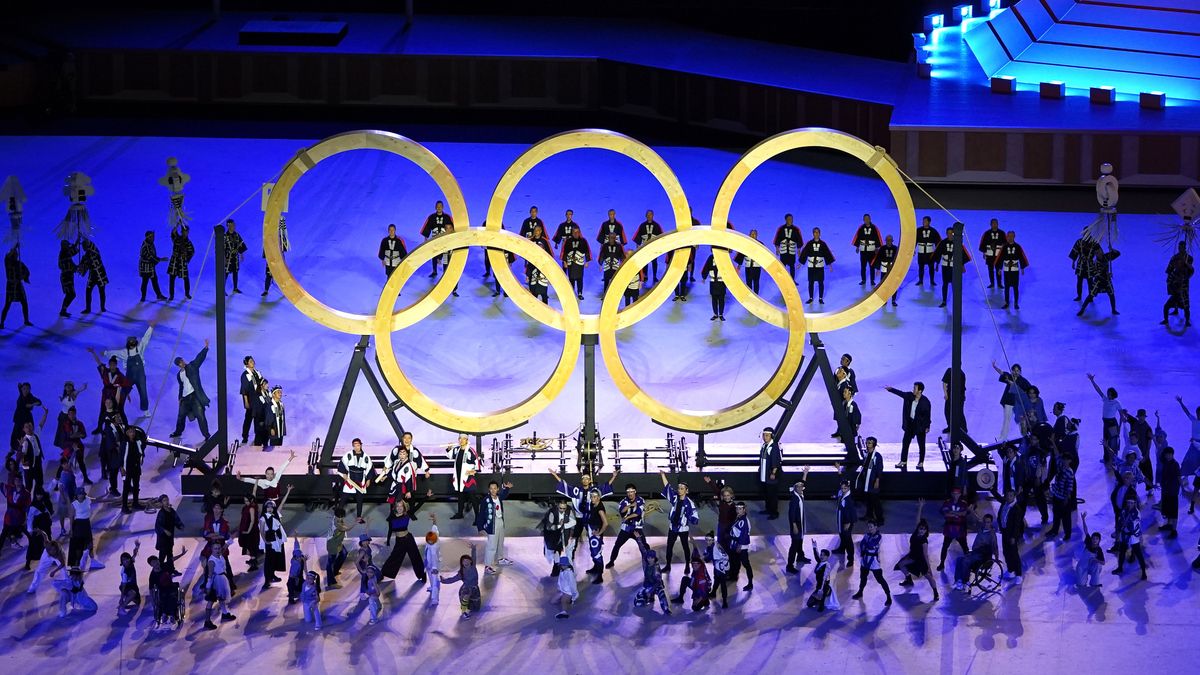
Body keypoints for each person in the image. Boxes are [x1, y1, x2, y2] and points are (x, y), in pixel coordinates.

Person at [102, 324, 154, 416]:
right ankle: (116, 408)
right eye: (131, 343)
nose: (133, 344)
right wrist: (106, 353)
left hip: (140, 376)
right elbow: (115, 353)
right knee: (123, 393)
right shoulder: (125, 352)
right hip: (129, 376)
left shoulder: (139, 348)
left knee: (143, 393)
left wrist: (151, 328)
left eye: (133, 342)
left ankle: (145, 410)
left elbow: (146, 338)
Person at [894, 498, 939, 601]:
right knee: (901, 565)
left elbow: (925, 555)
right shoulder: (916, 532)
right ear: (918, 528)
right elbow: (918, 519)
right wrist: (920, 507)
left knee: (929, 577)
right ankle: (909, 579)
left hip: (920, 560)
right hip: (912, 556)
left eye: (924, 529)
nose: (922, 530)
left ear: (926, 530)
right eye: (920, 528)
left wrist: (928, 567)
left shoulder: (924, 541)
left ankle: (935, 592)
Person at [382, 491, 429, 582]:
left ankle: (422, 574)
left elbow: (418, 506)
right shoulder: (392, 517)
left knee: (416, 557)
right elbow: (390, 529)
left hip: (408, 539)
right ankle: (383, 573)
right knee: (394, 557)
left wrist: (426, 497)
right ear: (395, 507)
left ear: (404, 507)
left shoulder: (407, 514)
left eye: (401, 506)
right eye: (398, 506)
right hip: (399, 541)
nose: (399, 508)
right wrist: (388, 540)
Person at [170, 340, 212, 441]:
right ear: (178, 365)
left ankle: (206, 435)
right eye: (180, 363)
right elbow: (181, 386)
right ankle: (178, 432)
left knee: (200, 416)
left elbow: (199, 358)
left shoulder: (192, 366)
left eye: (182, 361)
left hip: (194, 397)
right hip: (185, 398)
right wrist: (180, 397)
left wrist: (205, 348)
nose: (182, 363)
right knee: (180, 416)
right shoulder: (179, 375)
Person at [658, 470, 698, 571]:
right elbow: (667, 487)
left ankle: (687, 566)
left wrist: (689, 517)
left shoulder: (690, 503)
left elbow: (695, 519)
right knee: (669, 547)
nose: (679, 490)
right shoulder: (675, 498)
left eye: (682, 489)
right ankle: (668, 565)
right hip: (672, 527)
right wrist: (663, 475)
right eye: (679, 488)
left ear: (686, 491)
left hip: (683, 529)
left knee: (685, 547)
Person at [885, 382, 931, 470]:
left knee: (921, 445)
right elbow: (901, 393)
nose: (913, 389)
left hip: (920, 426)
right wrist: (891, 389)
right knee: (905, 443)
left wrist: (927, 426)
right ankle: (903, 461)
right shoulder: (909, 396)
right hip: (910, 424)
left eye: (915, 388)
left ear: (920, 391)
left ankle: (921, 462)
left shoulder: (925, 402)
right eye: (913, 388)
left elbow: (928, 415)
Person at [259, 486, 295, 590]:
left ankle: (272, 576)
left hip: (277, 539)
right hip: (270, 540)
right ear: (265, 508)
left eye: (271, 507)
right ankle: (267, 581)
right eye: (268, 507)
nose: (270, 508)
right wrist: (266, 541)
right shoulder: (263, 518)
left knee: (275, 559)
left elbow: (282, 504)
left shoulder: (276, 515)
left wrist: (288, 491)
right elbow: (261, 530)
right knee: (268, 561)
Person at [475, 480, 513, 574]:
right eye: (491, 488)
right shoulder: (486, 500)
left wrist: (507, 488)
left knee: (500, 542)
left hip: (500, 522)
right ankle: (488, 566)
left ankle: (500, 559)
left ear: (497, 489)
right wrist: (480, 528)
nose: (493, 490)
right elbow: (481, 514)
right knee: (491, 546)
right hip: (492, 524)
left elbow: (504, 495)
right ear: (489, 489)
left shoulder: (499, 497)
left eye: (495, 488)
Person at [952, 514, 997, 592]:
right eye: (985, 522)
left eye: (988, 522)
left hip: (982, 555)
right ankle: (958, 580)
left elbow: (995, 547)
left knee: (966, 561)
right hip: (974, 552)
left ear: (991, 523)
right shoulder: (981, 529)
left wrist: (996, 558)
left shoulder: (992, 534)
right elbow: (978, 519)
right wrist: (971, 511)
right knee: (959, 559)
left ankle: (965, 581)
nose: (986, 524)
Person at [851, 520, 892, 605]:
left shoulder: (879, 537)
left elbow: (871, 544)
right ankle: (860, 592)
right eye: (868, 527)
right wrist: (865, 544)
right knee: (863, 578)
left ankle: (888, 597)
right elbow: (862, 544)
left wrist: (865, 544)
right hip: (865, 559)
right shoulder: (867, 535)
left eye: (871, 527)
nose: (869, 529)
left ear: (875, 527)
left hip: (874, 561)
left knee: (880, 579)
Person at [606, 483, 645, 568]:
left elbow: (638, 513)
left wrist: (627, 518)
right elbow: (622, 511)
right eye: (628, 492)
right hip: (626, 528)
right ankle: (611, 561)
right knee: (617, 545)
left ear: (635, 491)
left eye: (631, 491)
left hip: (636, 528)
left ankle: (648, 560)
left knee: (644, 545)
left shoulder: (640, 500)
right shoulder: (623, 501)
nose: (630, 494)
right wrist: (630, 505)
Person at [338, 438, 375, 523]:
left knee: (360, 500)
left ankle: (359, 517)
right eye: (354, 445)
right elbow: (342, 464)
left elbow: (369, 468)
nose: (356, 447)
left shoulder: (366, 457)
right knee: (343, 498)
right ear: (353, 446)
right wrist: (344, 474)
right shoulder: (348, 455)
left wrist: (368, 479)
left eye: (358, 445)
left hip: (360, 481)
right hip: (350, 480)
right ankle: (339, 515)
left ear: (361, 445)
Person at [1088, 373, 1124, 461]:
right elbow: (1098, 390)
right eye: (1107, 393)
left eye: (1109, 393)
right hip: (1105, 423)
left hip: (1112, 423)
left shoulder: (1117, 403)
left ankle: (1115, 458)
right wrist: (1092, 381)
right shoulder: (1105, 399)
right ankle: (1106, 458)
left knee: (1113, 441)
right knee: (1105, 440)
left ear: (1113, 394)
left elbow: (1121, 415)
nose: (1107, 394)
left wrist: (1119, 426)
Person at [440, 542, 481, 619]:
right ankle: (464, 612)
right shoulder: (461, 572)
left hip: (475, 589)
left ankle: (468, 605)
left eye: (466, 561)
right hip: (466, 589)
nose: (465, 563)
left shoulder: (473, 567)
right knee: (466, 595)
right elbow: (453, 579)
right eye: (463, 561)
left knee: (475, 609)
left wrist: (473, 548)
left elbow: (474, 556)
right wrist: (444, 581)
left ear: (470, 561)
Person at [934, 225, 971, 308]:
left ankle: (956, 301)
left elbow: (962, 255)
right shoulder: (943, 243)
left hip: (954, 266)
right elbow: (938, 253)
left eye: (951, 233)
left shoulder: (958, 243)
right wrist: (937, 264)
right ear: (946, 234)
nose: (950, 235)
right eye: (949, 233)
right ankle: (944, 300)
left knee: (955, 284)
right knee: (945, 283)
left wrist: (962, 266)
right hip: (945, 266)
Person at [202, 540, 236, 630]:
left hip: (221, 579)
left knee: (222, 597)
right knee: (211, 601)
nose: (218, 550)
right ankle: (207, 621)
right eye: (215, 549)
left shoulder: (220, 554)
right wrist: (208, 587)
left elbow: (225, 546)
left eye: (218, 548)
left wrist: (230, 540)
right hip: (215, 582)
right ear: (212, 549)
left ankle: (224, 614)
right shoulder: (211, 561)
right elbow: (210, 575)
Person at [1077, 246, 1120, 316]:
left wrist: (1112, 250)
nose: (1098, 253)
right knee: (1091, 295)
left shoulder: (1107, 256)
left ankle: (1113, 310)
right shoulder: (1095, 263)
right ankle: (1082, 309)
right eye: (1096, 253)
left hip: (1107, 280)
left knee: (1111, 294)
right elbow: (1094, 273)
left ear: (1102, 251)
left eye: (1099, 251)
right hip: (1098, 281)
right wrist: (1101, 274)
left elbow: (1118, 254)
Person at [1112, 495, 1147, 580]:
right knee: (1122, 551)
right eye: (1128, 502)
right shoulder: (1124, 510)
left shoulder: (1137, 513)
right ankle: (1120, 568)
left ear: (1134, 503)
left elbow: (1133, 526)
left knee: (1138, 554)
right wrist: (1118, 530)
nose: (1129, 504)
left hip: (1133, 536)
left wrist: (1126, 524)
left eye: (1131, 503)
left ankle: (1144, 572)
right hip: (1125, 534)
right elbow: (1120, 521)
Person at [785, 466, 812, 574]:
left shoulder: (800, 494)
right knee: (794, 544)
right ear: (795, 487)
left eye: (802, 486)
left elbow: (803, 482)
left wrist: (805, 473)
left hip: (800, 524)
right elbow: (791, 514)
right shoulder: (795, 499)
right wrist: (794, 525)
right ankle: (790, 565)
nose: (801, 487)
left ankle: (800, 556)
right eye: (799, 486)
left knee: (800, 541)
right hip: (796, 525)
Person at [539, 499, 576, 577]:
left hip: (563, 534)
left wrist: (565, 526)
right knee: (551, 552)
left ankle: (558, 567)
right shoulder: (552, 512)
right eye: (561, 508)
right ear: (558, 506)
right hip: (552, 535)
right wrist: (559, 526)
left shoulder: (569, 510)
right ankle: (556, 566)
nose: (562, 510)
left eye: (564, 508)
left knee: (559, 550)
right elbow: (549, 527)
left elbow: (573, 521)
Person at [446, 434, 479, 519]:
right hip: (458, 477)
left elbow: (478, 464)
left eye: (463, 439)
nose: (461, 440)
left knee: (472, 498)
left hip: (468, 478)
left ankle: (478, 517)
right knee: (460, 496)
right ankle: (460, 513)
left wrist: (473, 471)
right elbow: (450, 456)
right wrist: (449, 448)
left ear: (467, 440)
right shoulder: (457, 449)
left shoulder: (471, 450)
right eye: (460, 438)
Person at [798, 227, 835, 304]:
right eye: (815, 232)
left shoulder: (823, 244)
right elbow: (804, 253)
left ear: (820, 234)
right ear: (813, 233)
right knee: (810, 282)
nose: (816, 233)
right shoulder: (809, 243)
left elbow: (827, 254)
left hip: (820, 266)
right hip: (811, 266)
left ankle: (820, 298)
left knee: (821, 282)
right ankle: (810, 298)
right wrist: (800, 263)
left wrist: (830, 266)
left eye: (817, 232)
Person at [1161, 241, 1193, 327]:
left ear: (1185, 247)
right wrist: (1169, 282)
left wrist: (1186, 264)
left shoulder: (1188, 258)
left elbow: (1191, 270)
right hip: (1175, 282)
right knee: (1174, 297)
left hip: (1184, 283)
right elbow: (1170, 269)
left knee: (1185, 302)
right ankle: (1175, 310)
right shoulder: (1174, 258)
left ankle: (1187, 321)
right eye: (1179, 247)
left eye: (1182, 247)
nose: (1180, 248)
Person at [938, 487, 970, 571]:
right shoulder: (947, 502)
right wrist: (958, 514)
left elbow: (965, 513)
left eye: (957, 494)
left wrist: (952, 513)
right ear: (952, 494)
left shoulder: (963, 503)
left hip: (960, 530)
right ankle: (941, 563)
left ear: (960, 494)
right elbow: (946, 514)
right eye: (954, 493)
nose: (956, 495)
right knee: (945, 547)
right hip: (950, 529)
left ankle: (969, 564)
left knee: (965, 547)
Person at [634, 542, 671, 615]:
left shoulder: (656, 568)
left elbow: (658, 582)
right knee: (638, 603)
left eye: (651, 558)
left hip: (656, 586)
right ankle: (649, 598)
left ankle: (666, 609)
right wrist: (639, 540)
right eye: (648, 557)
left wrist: (650, 591)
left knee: (661, 594)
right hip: (647, 585)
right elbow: (643, 551)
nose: (649, 559)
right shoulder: (645, 565)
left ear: (654, 558)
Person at [996, 231, 1029, 309]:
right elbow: (1000, 258)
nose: (1010, 238)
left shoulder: (1018, 247)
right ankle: (1007, 303)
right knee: (1006, 287)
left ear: (1014, 237)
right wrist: (1000, 269)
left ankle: (1016, 303)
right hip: (1007, 270)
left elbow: (1021, 257)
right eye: (1009, 236)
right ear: (1007, 237)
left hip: (1015, 270)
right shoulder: (1004, 247)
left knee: (1015, 287)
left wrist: (1022, 268)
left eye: (1012, 236)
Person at [672, 545, 711, 612]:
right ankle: (680, 598)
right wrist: (694, 544)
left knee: (695, 608)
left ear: (700, 564)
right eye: (693, 565)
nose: (694, 567)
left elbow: (703, 590)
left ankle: (705, 600)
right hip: (695, 584)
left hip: (701, 589)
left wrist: (697, 599)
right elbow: (695, 554)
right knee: (685, 579)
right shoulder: (697, 563)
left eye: (696, 565)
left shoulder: (701, 577)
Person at [27, 529, 66, 594]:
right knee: (39, 571)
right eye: (52, 550)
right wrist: (41, 531)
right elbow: (45, 535)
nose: (53, 552)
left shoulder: (59, 554)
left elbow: (62, 564)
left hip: (57, 557)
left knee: (64, 571)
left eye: (54, 550)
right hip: (47, 555)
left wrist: (54, 571)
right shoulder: (47, 545)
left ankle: (67, 584)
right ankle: (32, 588)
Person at [119, 424, 147, 513]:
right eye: (130, 432)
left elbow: (141, 451)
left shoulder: (137, 441)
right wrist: (122, 467)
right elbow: (121, 456)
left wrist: (141, 458)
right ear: (127, 433)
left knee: (136, 486)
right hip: (127, 468)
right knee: (126, 487)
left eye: (133, 432)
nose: (132, 433)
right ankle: (124, 506)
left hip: (136, 467)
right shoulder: (124, 443)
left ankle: (135, 503)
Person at [1, 244, 31, 328]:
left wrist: (23, 276)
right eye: (14, 254)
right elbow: (7, 256)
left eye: (16, 254)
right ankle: (2, 323)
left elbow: (27, 272)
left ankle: (26, 320)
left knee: (24, 303)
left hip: (18, 285)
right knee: (7, 304)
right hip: (10, 286)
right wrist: (14, 247)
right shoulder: (7, 263)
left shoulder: (19, 264)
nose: (16, 256)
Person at [856, 437, 884, 524]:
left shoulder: (877, 456)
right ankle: (869, 515)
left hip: (873, 481)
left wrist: (877, 480)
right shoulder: (867, 454)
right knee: (868, 500)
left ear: (874, 445)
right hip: (866, 481)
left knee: (875, 501)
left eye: (870, 443)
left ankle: (880, 519)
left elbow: (879, 469)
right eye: (867, 442)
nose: (868, 444)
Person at [997, 490, 1023, 582]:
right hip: (1004, 532)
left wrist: (1013, 537)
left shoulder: (1017, 508)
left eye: (1011, 496)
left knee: (1014, 554)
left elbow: (1017, 525)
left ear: (1014, 496)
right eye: (1007, 495)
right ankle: (1011, 570)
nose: (1008, 497)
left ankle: (1018, 574)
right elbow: (1001, 515)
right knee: (1006, 552)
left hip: (1011, 534)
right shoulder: (1004, 503)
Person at [727, 501, 753, 591]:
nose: (738, 510)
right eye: (737, 508)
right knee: (734, 561)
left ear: (744, 510)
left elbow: (744, 535)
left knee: (746, 564)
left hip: (741, 546)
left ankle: (750, 583)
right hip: (735, 544)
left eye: (740, 509)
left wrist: (740, 545)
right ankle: (733, 576)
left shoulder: (744, 521)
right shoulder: (738, 518)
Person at [238, 356, 264, 445]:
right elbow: (244, 389)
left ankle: (258, 436)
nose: (252, 362)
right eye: (250, 361)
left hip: (258, 400)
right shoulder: (245, 375)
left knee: (258, 418)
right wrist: (246, 402)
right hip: (251, 400)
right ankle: (245, 437)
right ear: (246, 364)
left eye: (253, 360)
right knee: (248, 419)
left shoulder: (257, 373)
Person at [806, 542, 840, 612]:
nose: (821, 556)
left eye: (823, 555)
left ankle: (821, 604)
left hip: (824, 586)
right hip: (819, 586)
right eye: (821, 555)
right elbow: (816, 556)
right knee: (809, 604)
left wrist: (821, 589)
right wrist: (814, 547)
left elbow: (824, 578)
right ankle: (818, 600)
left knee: (819, 602)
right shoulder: (820, 562)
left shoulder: (827, 565)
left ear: (827, 557)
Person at [757, 427, 782, 518]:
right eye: (764, 435)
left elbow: (776, 461)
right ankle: (768, 509)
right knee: (767, 494)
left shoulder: (774, 447)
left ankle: (774, 513)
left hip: (770, 476)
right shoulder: (764, 445)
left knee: (772, 495)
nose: (765, 437)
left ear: (771, 436)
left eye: (767, 435)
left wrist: (773, 473)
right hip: (764, 475)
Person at [78, 238, 108, 314]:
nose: (83, 248)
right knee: (88, 291)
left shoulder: (94, 251)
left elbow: (90, 260)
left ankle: (102, 307)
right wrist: (81, 264)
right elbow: (82, 269)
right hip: (92, 276)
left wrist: (85, 260)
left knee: (102, 291)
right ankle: (88, 309)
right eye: (83, 247)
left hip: (100, 275)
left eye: (84, 246)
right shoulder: (86, 256)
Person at [325, 506, 353, 588]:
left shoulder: (337, 518)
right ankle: (331, 582)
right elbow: (347, 529)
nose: (342, 518)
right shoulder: (336, 523)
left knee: (344, 553)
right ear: (339, 516)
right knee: (330, 563)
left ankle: (335, 571)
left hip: (338, 542)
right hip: (332, 544)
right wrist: (355, 522)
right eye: (342, 516)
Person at [851, 214, 882, 286]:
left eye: (868, 218)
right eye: (865, 219)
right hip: (863, 251)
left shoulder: (874, 228)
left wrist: (877, 248)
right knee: (863, 266)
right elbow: (857, 237)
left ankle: (872, 280)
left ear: (870, 219)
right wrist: (857, 247)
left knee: (872, 266)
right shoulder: (861, 228)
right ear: (863, 220)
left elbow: (878, 237)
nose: (866, 220)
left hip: (871, 251)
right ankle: (863, 280)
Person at [633, 209, 664, 282]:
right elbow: (638, 236)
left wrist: (660, 248)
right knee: (645, 262)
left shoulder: (657, 226)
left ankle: (654, 276)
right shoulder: (642, 225)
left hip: (654, 248)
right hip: (645, 247)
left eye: (650, 214)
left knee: (654, 262)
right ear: (646, 216)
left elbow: (662, 237)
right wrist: (637, 247)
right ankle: (645, 275)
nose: (649, 216)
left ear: (653, 215)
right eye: (648, 215)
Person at [561, 227, 591, 299]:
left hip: (579, 263)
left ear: (579, 232)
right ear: (572, 232)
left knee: (579, 278)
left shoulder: (583, 241)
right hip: (571, 263)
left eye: (577, 232)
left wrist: (587, 261)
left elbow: (587, 251)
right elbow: (564, 252)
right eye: (574, 232)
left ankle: (580, 293)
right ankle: (571, 293)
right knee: (571, 278)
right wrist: (565, 261)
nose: (576, 233)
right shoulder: (568, 241)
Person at [137, 230, 168, 301]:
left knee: (154, 281)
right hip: (145, 267)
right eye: (152, 237)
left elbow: (152, 256)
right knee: (145, 282)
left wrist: (156, 260)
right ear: (148, 237)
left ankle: (159, 295)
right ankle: (143, 296)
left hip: (151, 267)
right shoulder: (145, 246)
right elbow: (150, 257)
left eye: (153, 236)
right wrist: (160, 259)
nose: (153, 238)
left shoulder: (151, 244)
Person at [833, 478, 857, 567]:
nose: (843, 490)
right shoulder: (841, 494)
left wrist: (849, 522)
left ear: (848, 488)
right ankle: (841, 549)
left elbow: (851, 512)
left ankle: (851, 559)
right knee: (842, 535)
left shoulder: (849, 499)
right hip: (841, 518)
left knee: (848, 539)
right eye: (842, 488)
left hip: (847, 521)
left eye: (845, 488)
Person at [1076, 512, 1104, 588]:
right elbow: (1086, 530)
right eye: (1093, 538)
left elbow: (1103, 562)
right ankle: (1082, 578)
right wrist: (1083, 519)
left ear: (1099, 540)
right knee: (1081, 584)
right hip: (1083, 566)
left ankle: (1095, 583)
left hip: (1091, 566)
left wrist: (1096, 560)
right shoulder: (1088, 541)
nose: (1094, 540)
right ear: (1091, 539)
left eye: (1096, 539)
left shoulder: (1099, 550)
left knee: (1098, 566)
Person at [167, 222, 194, 300]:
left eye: (186, 232)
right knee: (172, 279)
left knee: (186, 278)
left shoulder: (188, 243)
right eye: (184, 231)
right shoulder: (176, 238)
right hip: (175, 261)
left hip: (182, 262)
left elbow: (192, 251)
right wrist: (177, 224)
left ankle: (187, 293)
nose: (185, 233)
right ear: (181, 232)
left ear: (188, 232)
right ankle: (171, 295)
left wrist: (186, 258)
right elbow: (173, 233)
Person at [1069, 235, 1100, 301]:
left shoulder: (1094, 243)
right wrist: (1073, 262)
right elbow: (1075, 252)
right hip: (1081, 265)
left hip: (1090, 266)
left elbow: (1099, 254)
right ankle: (1079, 296)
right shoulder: (1079, 242)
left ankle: (1091, 297)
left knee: (1090, 283)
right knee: (1079, 282)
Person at [1159, 446, 1181, 538]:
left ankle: (1174, 530)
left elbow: (1179, 477)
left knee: (1173, 511)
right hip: (1166, 491)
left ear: (1172, 454)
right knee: (1167, 509)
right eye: (1166, 454)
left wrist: (1180, 488)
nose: (1167, 456)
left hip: (1172, 492)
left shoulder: (1175, 465)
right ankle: (1169, 524)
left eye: (1169, 454)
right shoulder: (1166, 463)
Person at [978, 218, 1006, 289]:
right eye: (993, 223)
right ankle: (992, 283)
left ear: (998, 224)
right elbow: (983, 243)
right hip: (990, 255)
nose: (994, 224)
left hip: (998, 255)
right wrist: (984, 252)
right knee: (990, 270)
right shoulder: (986, 233)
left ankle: (999, 284)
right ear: (990, 224)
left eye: (995, 223)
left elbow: (1005, 244)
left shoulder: (1002, 233)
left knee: (999, 269)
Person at [873, 234, 900, 306]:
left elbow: (899, 258)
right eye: (887, 240)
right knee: (883, 285)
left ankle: (893, 300)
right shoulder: (882, 248)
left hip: (892, 269)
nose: (889, 242)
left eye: (890, 240)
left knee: (894, 285)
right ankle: (884, 300)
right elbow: (878, 259)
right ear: (885, 241)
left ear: (892, 241)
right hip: (884, 268)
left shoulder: (895, 248)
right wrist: (878, 269)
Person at [773, 214, 803, 279]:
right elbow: (777, 239)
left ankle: (792, 280)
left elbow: (799, 240)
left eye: (791, 219)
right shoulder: (781, 229)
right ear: (786, 220)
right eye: (789, 219)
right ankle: (782, 280)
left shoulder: (796, 229)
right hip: (783, 250)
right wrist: (777, 249)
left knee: (792, 266)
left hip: (791, 251)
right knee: (783, 266)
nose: (791, 220)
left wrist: (799, 250)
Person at [223, 219, 248, 293]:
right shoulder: (225, 236)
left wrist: (241, 254)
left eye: (234, 225)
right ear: (228, 226)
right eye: (231, 225)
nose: (233, 226)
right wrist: (224, 258)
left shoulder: (237, 235)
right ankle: (222, 289)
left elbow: (241, 244)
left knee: (235, 272)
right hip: (228, 257)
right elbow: (222, 248)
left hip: (235, 257)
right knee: (226, 273)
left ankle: (235, 288)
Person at [915, 216, 941, 287]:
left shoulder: (933, 231)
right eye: (923, 221)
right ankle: (920, 281)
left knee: (931, 267)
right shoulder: (918, 230)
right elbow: (915, 240)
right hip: (921, 252)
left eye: (925, 221)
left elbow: (938, 242)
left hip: (930, 252)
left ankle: (932, 281)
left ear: (929, 222)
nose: (924, 222)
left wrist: (937, 253)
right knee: (921, 267)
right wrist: (913, 249)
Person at [942, 366, 968, 435]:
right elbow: (944, 383)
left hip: (959, 396)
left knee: (960, 412)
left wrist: (963, 396)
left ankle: (964, 429)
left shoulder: (962, 374)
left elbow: (963, 388)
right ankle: (950, 426)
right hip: (950, 395)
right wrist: (945, 394)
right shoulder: (949, 371)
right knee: (947, 411)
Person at [118, 541, 142, 611]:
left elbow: (134, 553)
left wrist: (137, 546)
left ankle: (127, 596)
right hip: (126, 587)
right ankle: (122, 607)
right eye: (123, 560)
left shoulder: (131, 562)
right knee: (133, 594)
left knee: (138, 603)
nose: (126, 561)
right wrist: (121, 598)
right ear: (121, 562)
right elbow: (123, 585)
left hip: (134, 586)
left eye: (127, 559)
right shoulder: (124, 572)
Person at [58, 239, 79, 317]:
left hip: (67, 276)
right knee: (71, 294)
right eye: (67, 245)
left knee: (70, 294)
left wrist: (76, 243)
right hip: (66, 277)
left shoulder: (64, 253)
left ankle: (63, 310)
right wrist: (75, 267)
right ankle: (63, 310)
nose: (68, 246)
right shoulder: (64, 254)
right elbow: (72, 253)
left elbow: (72, 252)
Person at [424, 513, 441, 606]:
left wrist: (435, 568)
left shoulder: (434, 548)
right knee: (430, 577)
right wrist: (434, 519)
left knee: (435, 582)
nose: (429, 542)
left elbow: (434, 558)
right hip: (428, 564)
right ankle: (431, 587)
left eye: (431, 541)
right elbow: (434, 526)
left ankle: (435, 598)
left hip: (434, 565)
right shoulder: (434, 533)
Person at [286, 540, 307, 604]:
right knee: (291, 585)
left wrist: (295, 537)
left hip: (298, 578)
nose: (300, 557)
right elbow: (292, 576)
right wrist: (296, 579)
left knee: (304, 585)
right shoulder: (295, 563)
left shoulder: (301, 559)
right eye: (299, 556)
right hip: (293, 578)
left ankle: (297, 590)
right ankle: (291, 598)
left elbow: (296, 546)